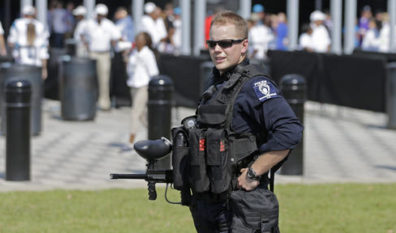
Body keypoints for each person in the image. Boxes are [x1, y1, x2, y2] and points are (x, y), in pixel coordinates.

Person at [185, 11, 303, 232]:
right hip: (209, 203)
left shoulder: (254, 85)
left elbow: (290, 130)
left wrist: (253, 172)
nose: (217, 50)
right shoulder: (217, 81)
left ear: (244, 45)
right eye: (212, 44)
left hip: (241, 206)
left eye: (226, 43)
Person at [79, 4, 120, 111]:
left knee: (104, 80)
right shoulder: (89, 24)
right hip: (92, 53)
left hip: (104, 54)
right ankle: (89, 101)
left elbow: (116, 37)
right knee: (90, 79)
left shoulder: (109, 25)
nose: (100, 17)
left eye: (102, 15)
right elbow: (81, 34)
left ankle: (104, 103)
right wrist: (86, 44)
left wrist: (113, 45)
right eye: (99, 14)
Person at [127, 32, 159, 144]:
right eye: (136, 38)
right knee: (142, 115)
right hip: (133, 85)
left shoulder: (148, 54)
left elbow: (153, 72)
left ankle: (131, 140)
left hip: (143, 86)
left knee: (135, 112)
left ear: (145, 41)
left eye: (140, 39)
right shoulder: (134, 52)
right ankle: (156, 134)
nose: (137, 41)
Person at [7, 5, 49, 79]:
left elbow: (10, 42)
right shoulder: (41, 26)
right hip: (37, 65)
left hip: (20, 65)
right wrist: (44, 69)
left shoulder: (17, 23)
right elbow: (44, 50)